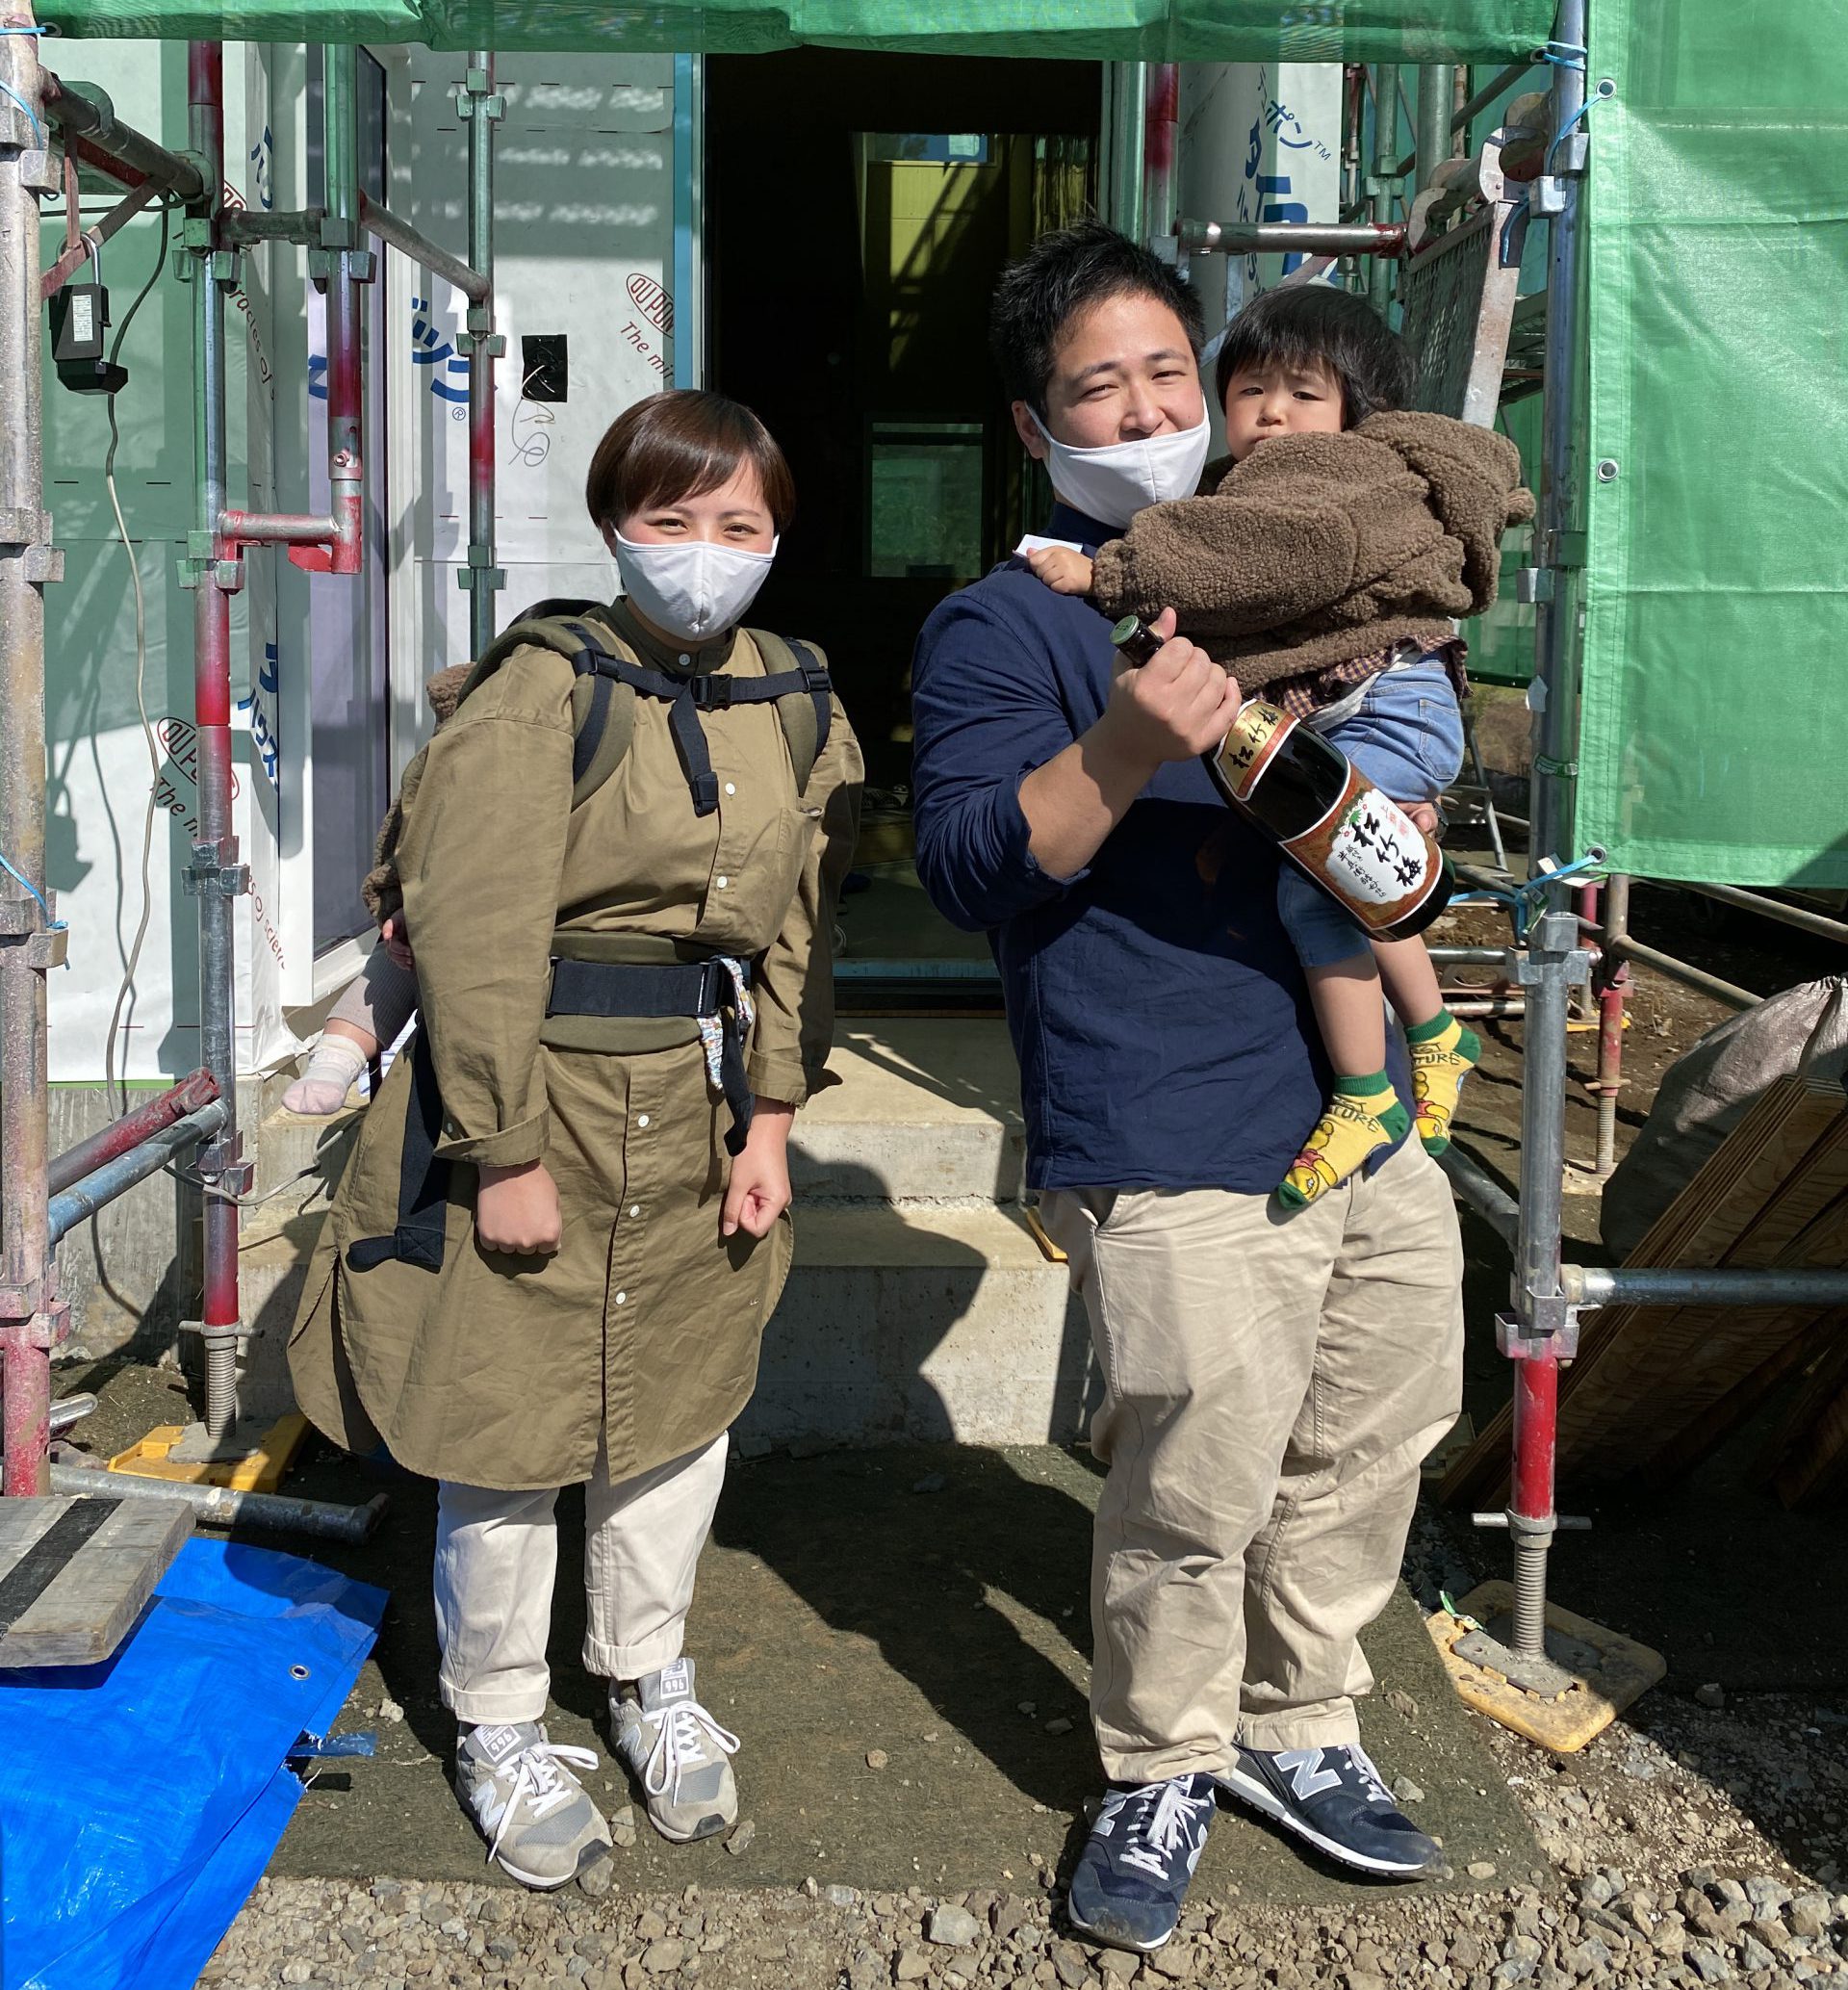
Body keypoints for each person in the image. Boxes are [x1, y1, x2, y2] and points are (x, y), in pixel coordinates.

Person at [910, 221, 1464, 1957]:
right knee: (1194, 1471)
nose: (1148, 407)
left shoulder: (1274, 570)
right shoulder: (1004, 622)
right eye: (1102, 384)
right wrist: (1133, 740)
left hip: (1348, 1094)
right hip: (1158, 1103)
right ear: (1034, 424)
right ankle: (1161, 1757)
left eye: (1170, 371)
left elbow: (1389, 839)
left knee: (1373, 1429)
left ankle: (1304, 1722)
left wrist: (1407, 850)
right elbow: (973, 865)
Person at [288, 389, 863, 1891]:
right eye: (670, 520)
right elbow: (471, 926)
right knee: (506, 1420)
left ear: (778, 535)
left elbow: (800, 928)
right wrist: (500, 1146)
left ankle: (647, 1675)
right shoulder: (545, 685)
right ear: (616, 526)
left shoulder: (797, 693)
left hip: (693, 1092)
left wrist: (774, 1117)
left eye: (738, 524)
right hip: (532, 1085)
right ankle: (495, 1716)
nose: (703, 552)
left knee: (674, 1405)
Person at [1025, 284, 1532, 1205]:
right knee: (1360, 873)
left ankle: (1365, 1091)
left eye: (1304, 393)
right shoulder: (1259, 490)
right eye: (1252, 390)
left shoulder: (1333, 489)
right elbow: (1241, 610)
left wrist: (1110, 572)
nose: (1272, 413)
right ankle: (1433, 1033)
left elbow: (1274, 564)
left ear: (1352, 412)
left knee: (1316, 888)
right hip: (1362, 708)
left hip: (1388, 704)